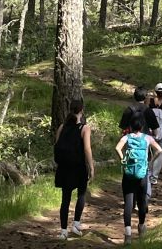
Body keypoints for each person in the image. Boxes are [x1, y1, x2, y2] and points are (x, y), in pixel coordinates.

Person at [116, 115, 162, 244]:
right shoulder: (147, 138)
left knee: (128, 203)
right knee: (142, 201)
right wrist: (150, 161)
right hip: (142, 174)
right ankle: (141, 226)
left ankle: (128, 234)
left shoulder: (126, 137)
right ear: (142, 127)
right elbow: (159, 150)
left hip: (128, 173)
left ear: (130, 127)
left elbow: (117, 148)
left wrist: (123, 160)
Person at [54, 98, 94, 240]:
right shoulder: (84, 128)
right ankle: (76, 223)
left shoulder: (61, 127)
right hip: (79, 167)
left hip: (64, 167)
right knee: (81, 194)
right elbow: (87, 149)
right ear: (82, 111)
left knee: (65, 199)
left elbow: (57, 146)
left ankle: (63, 231)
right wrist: (91, 166)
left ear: (70, 110)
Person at [148, 83, 162, 185]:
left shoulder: (149, 101)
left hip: (150, 131)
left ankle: (147, 171)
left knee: (148, 151)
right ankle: (154, 176)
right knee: (160, 153)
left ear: (155, 92)